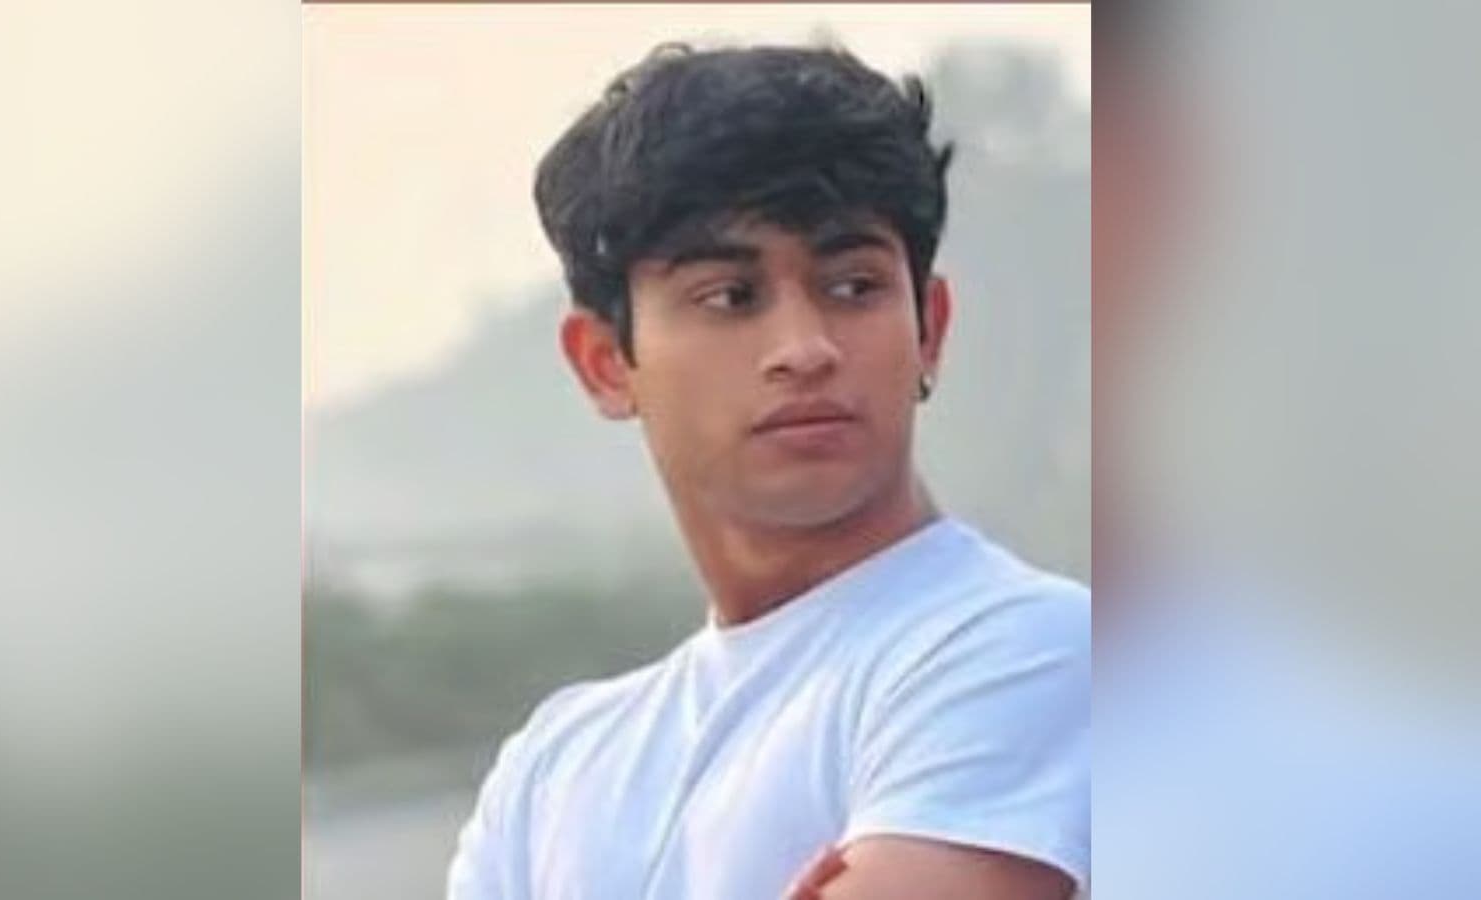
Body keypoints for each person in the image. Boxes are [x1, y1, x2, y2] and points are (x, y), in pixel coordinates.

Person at [446, 43, 1089, 900]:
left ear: (929, 328)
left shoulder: (1029, 650)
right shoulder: (551, 772)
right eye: (730, 297)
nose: (805, 349)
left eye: (853, 286)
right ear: (605, 362)